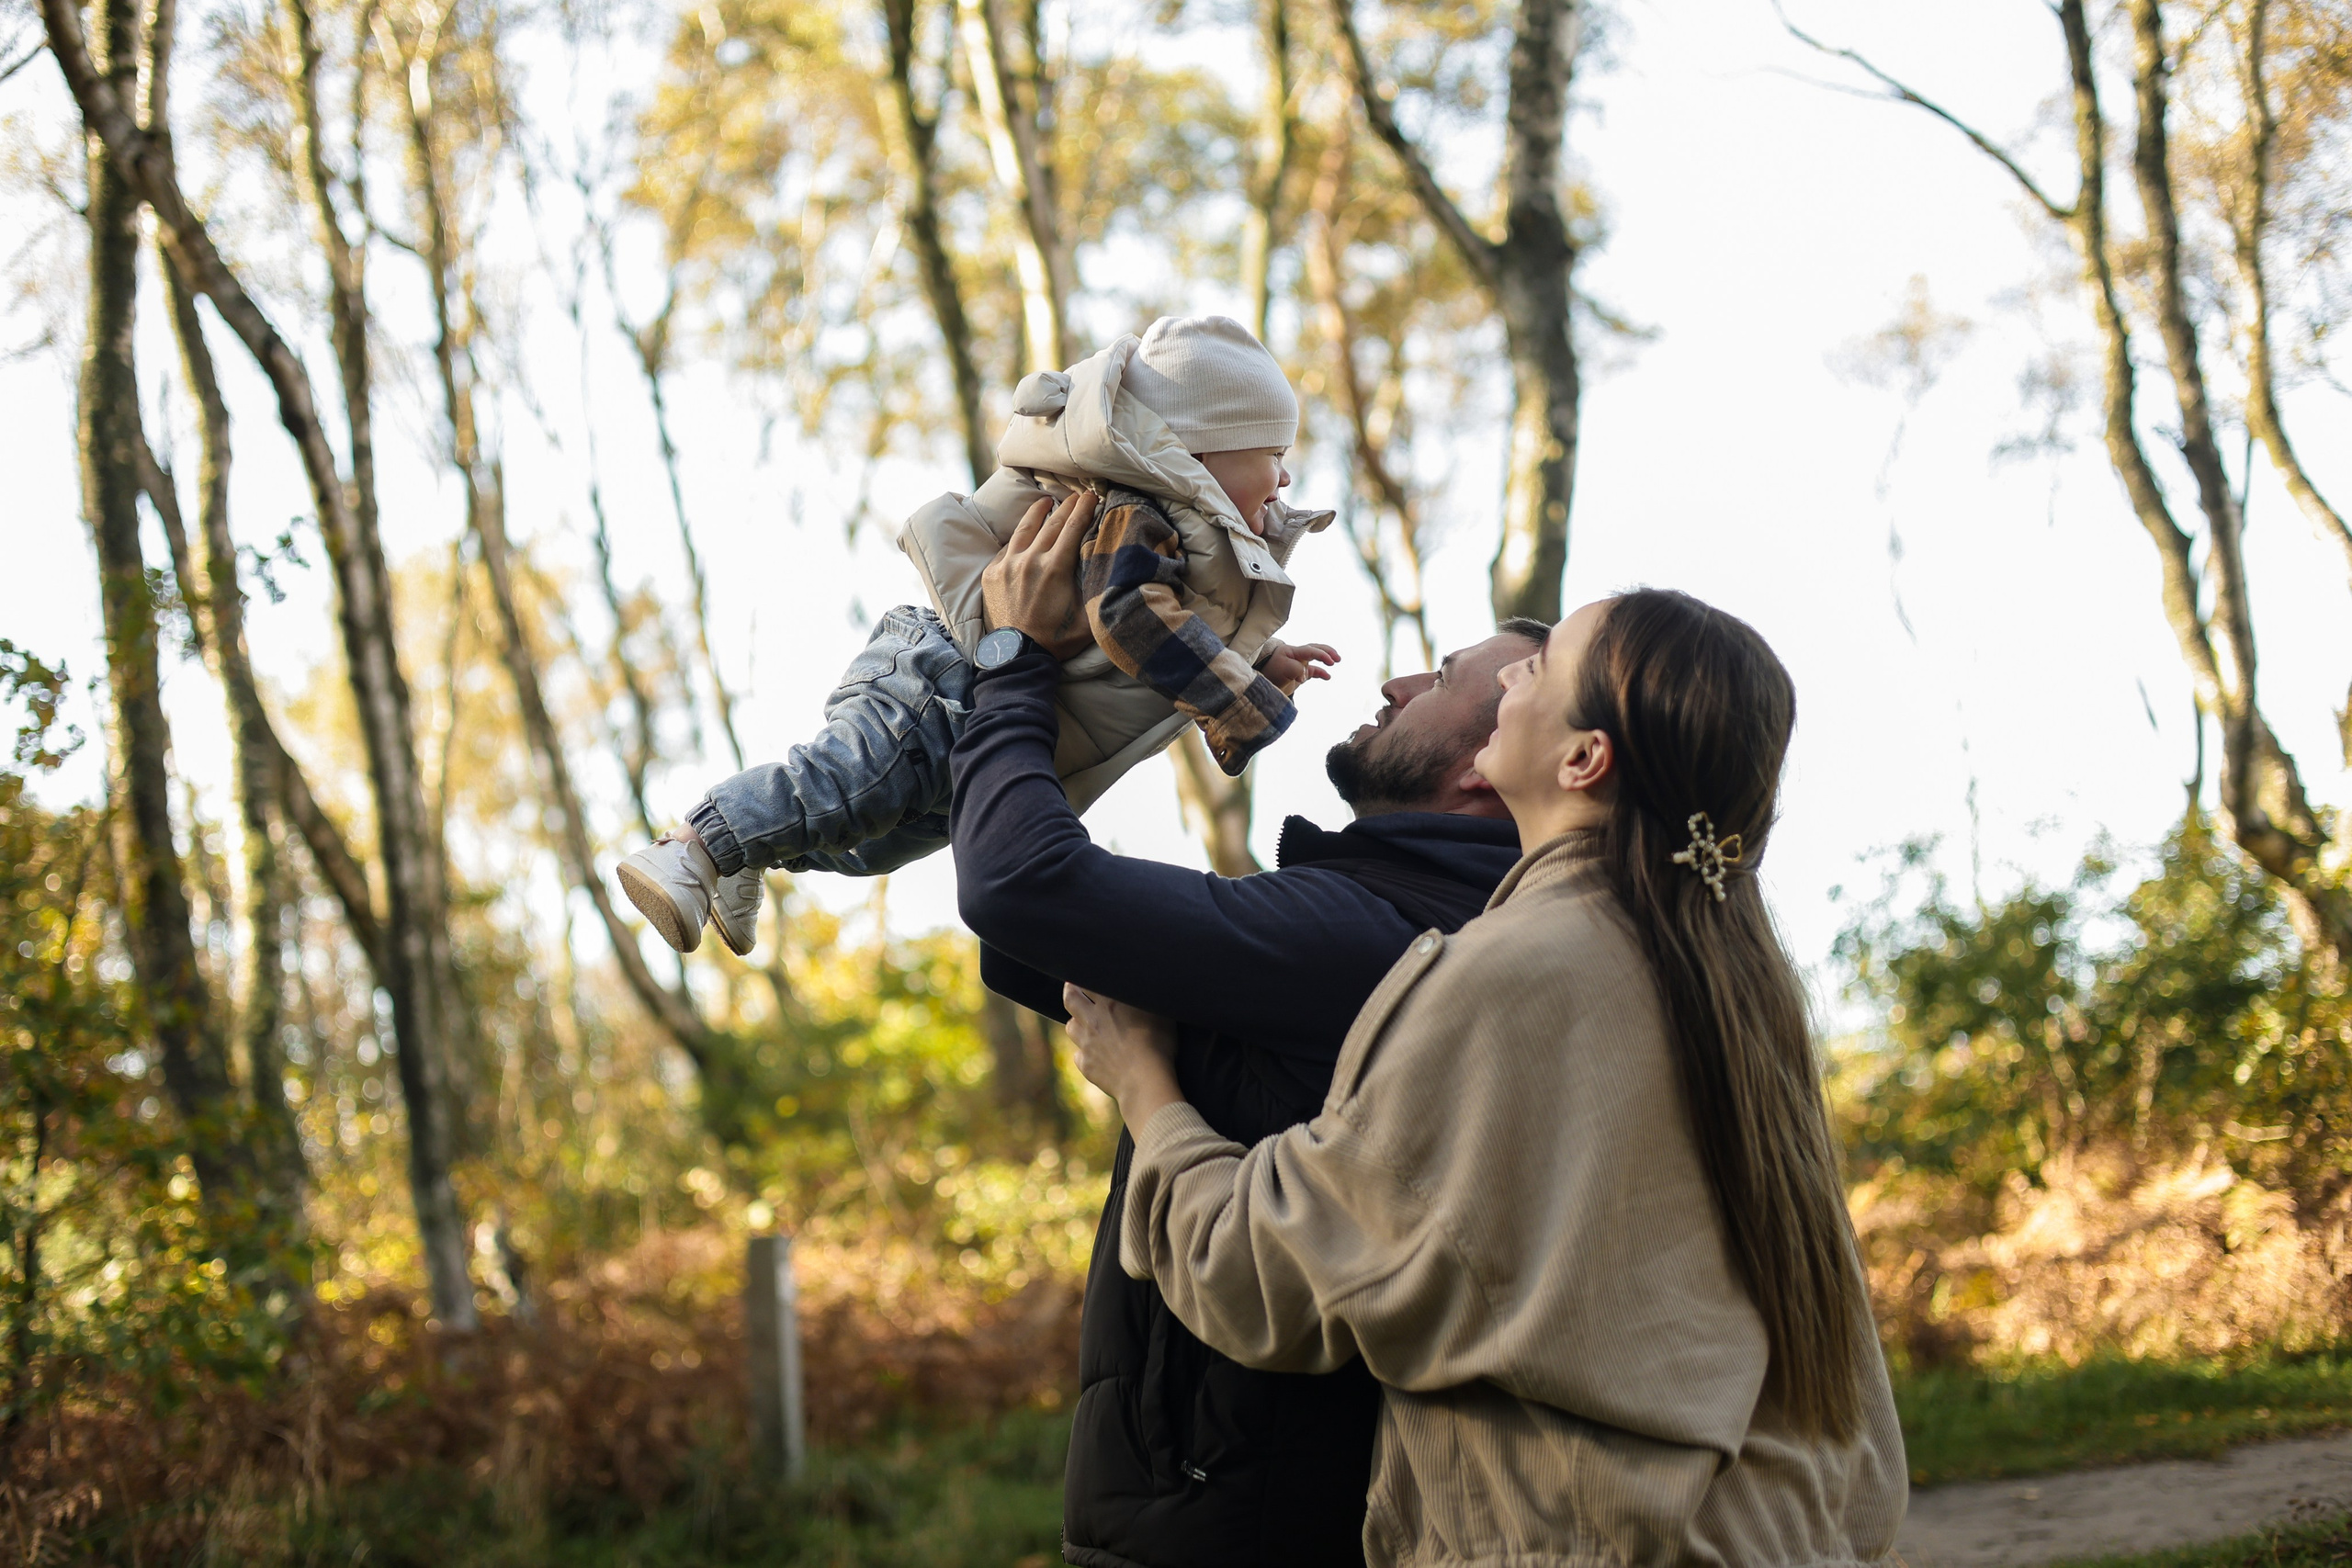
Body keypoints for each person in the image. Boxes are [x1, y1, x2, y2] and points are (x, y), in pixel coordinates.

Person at [1065, 590, 1909, 1568]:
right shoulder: (1735, 983)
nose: (1512, 674)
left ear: (1583, 759)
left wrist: (1145, 1089)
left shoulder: (1510, 973)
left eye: (1537, 669)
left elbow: (1266, 1271)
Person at [955, 497, 1550, 1567]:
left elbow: (1021, 887)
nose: (1396, 683)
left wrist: (1015, 661)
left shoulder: (1376, 935)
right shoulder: (1389, 920)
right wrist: (1142, 678)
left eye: (1442, 680)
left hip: (1232, 1529)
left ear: (1487, 765)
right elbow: (1037, 944)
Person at [613, 315, 1337, 954]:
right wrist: (1241, 704)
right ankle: (695, 847)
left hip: (981, 716)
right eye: (1273, 452)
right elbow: (1129, 617)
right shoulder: (1137, 511)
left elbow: (1168, 626)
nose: (1284, 478)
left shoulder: (1180, 526)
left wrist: (1257, 658)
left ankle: (745, 853)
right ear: (1204, 451)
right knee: (840, 787)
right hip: (941, 683)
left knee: (863, 841)